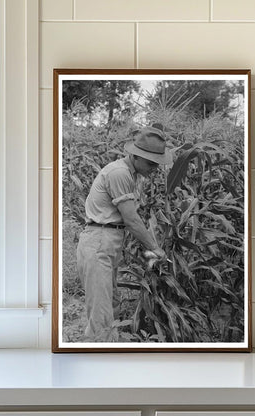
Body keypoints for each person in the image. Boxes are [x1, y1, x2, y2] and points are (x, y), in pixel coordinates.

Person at [76, 126, 172, 341]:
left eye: (157, 163)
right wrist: (155, 248)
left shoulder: (130, 173)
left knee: (110, 305)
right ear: (135, 156)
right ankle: (100, 361)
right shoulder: (119, 173)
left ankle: (104, 351)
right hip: (99, 241)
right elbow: (131, 219)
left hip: (108, 241)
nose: (154, 168)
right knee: (101, 315)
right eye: (150, 163)